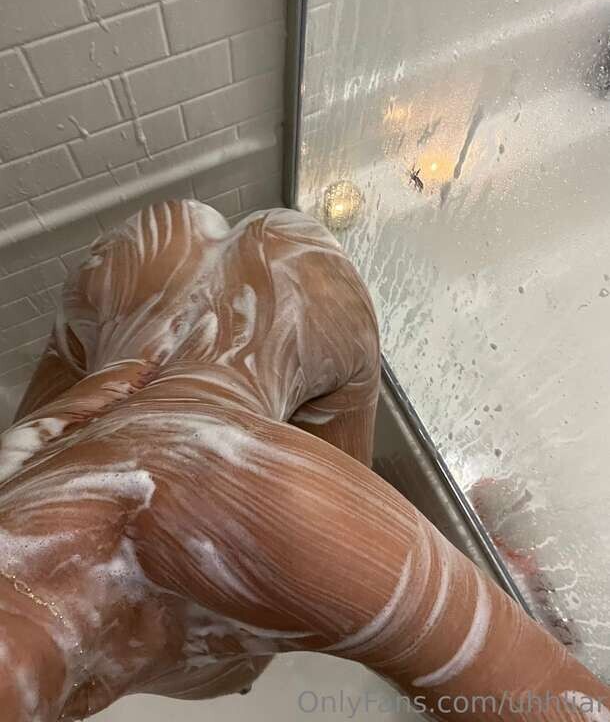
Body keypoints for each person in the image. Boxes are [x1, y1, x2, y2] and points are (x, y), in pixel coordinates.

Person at [0, 200, 606, 721]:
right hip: (130, 274)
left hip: (302, 300)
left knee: (349, 520)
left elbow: (559, 703)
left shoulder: (261, 523)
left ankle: (488, 550)